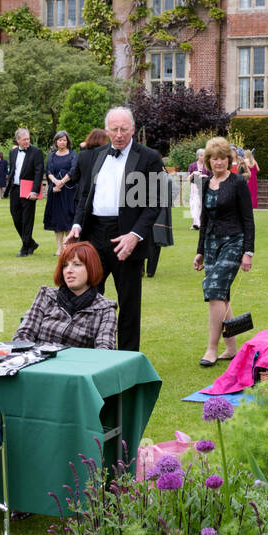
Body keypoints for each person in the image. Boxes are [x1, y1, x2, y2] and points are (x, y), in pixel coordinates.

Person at [68, 106, 165, 352]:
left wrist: (135, 235)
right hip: (94, 234)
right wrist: (77, 225)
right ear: (107, 129)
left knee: (129, 303)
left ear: (133, 129)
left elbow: (155, 203)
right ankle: (89, 353)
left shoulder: (148, 158)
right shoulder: (95, 155)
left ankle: (127, 358)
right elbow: (85, 196)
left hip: (127, 236)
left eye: (124, 129)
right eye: (114, 129)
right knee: (87, 296)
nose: (119, 134)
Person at [194, 136, 255, 366]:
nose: (218, 163)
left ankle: (211, 348)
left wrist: (248, 251)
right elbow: (204, 219)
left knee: (214, 290)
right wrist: (199, 251)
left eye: (222, 158)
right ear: (208, 161)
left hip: (234, 242)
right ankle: (231, 348)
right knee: (222, 295)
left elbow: (248, 219)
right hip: (211, 244)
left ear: (228, 160)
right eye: (214, 159)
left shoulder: (238, 183)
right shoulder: (206, 183)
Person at [16, 241, 117, 349]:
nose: (69, 270)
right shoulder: (46, 295)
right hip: (38, 361)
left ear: (91, 268)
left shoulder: (106, 308)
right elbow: (22, 336)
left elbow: (105, 352)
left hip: (78, 365)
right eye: (65, 265)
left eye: (77, 264)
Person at [7, 127, 45, 256]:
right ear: (17, 140)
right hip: (15, 189)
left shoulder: (36, 152)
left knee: (27, 219)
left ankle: (24, 247)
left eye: (28, 139)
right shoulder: (12, 153)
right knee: (16, 217)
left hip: (29, 190)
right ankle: (31, 243)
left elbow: (39, 172)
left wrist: (35, 191)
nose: (27, 141)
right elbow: (13, 170)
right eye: (24, 139)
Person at [43, 130, 77, 254]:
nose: (62, 142)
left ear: (67, 141)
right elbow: (48, 171)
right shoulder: (52, 156)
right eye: (59, 140)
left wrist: (62, 182)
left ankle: (68, 246)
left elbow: (73, 170)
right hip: (55, 192)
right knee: (57, 220)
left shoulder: (73, 154)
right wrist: (55, 182)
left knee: (68, 219)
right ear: (56, 142)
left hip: (68, 192)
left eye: (64, 140)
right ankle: (59, 247)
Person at [69, 128, 109, 212]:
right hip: (100, 193)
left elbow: (75, 177)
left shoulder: (82, 155)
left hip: (82, 193)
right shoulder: (106, 155)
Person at [145, 174, 176, 279]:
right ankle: (150, 270)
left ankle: (146, 270)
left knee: (150, 241)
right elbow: (175, 190)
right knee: (155, 242)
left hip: (153, 211)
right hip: (159, 211)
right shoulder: (166, 177)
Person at [187, 148, 206, 228]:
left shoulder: (207, 165)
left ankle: (199, 223)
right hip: (194, 187)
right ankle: (196, 223)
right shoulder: (192, 166)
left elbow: (212, 176)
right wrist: (193, 174)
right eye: (201, 155)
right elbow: (188, 178)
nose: (203, 157)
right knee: (194, 204)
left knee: (201, 205)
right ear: (198, 156)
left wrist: (204, 176)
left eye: (204, 155)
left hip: (204, 186)